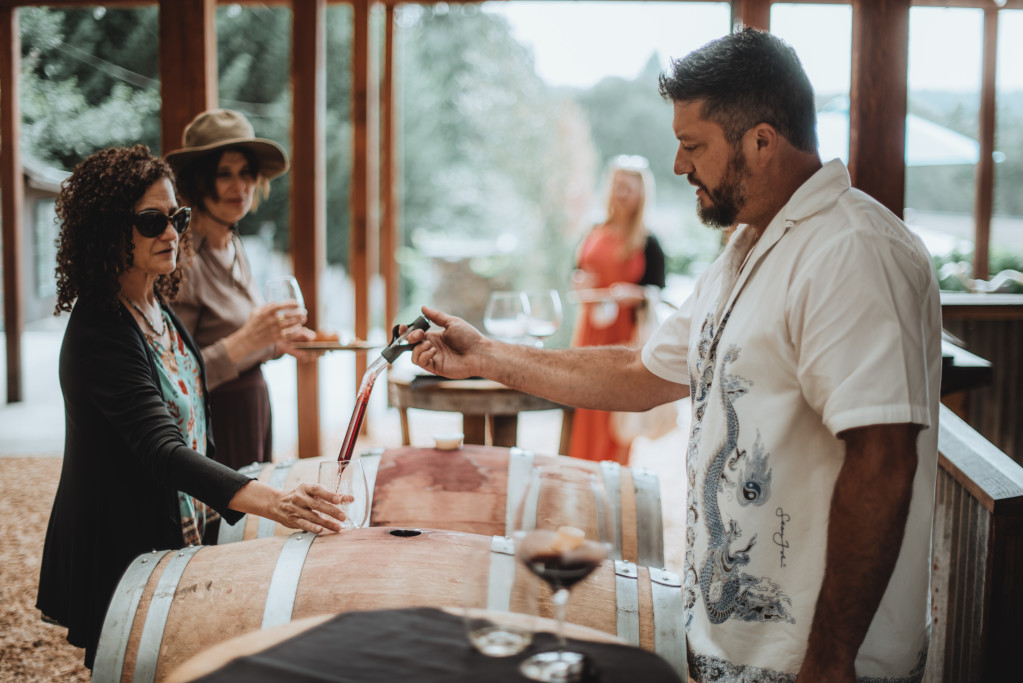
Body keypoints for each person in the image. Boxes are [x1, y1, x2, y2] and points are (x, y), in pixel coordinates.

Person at [407, 28, 940, 683]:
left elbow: (882, 458)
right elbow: (639, 371)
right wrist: (484, 355)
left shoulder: (850, 252)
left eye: (693, 146)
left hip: (816, 661)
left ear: (761, 142)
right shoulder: (742, 254)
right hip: (735, 651)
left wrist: (828, 661)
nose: (678, 166)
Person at [35, 146, 347, 669]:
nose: (172, 232)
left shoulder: (156, 307)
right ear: (107, 228)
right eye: (152, 220)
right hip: (120, 543)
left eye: (175, 217)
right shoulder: (100, 330)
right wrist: (274, 502)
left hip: (169, 534)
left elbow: (196, 418)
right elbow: (162, 450)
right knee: (132, 665)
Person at [165, 109, 314, 470]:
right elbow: (170, 374)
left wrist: (276, 344)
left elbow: (237, 340)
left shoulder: (232, 242)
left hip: (252, 411)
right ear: (199, 181)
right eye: (225, 174)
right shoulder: (179, 257)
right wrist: (250, 340)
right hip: (214, 422)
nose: (240, 186)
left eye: (247, 173)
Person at [568, 154, 666, 464]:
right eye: (617, 186)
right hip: (590, 329)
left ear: (641, 193)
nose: (620, 193)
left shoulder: (649, 242)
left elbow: (657, 291)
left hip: (623, 334)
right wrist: (581, 282)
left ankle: (613, 479)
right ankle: (577, 470)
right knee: (582, 402)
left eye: (628, 187)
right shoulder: (593, 229)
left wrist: (633, 294)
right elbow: (576, 270)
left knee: (615, 411)